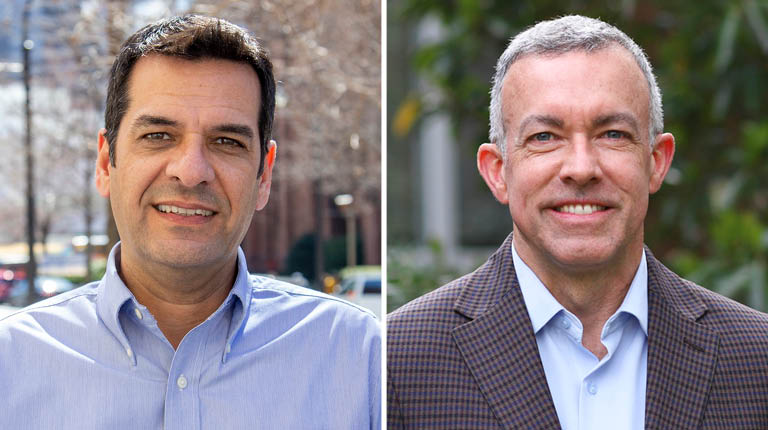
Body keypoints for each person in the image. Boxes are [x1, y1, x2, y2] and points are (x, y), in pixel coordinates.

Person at [387, 15, 768, 429]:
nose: (581, 168)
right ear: (497, 171)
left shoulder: (755, 356)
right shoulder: (396, 361)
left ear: (656, 163)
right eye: (545, 137)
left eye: (613, 134)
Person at [0, 15, 380, 429]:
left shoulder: (361, 357)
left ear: (264, 175)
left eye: (226, 142)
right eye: (158, 135)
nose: (191, 170)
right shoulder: (11, 361)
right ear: (107, 162)